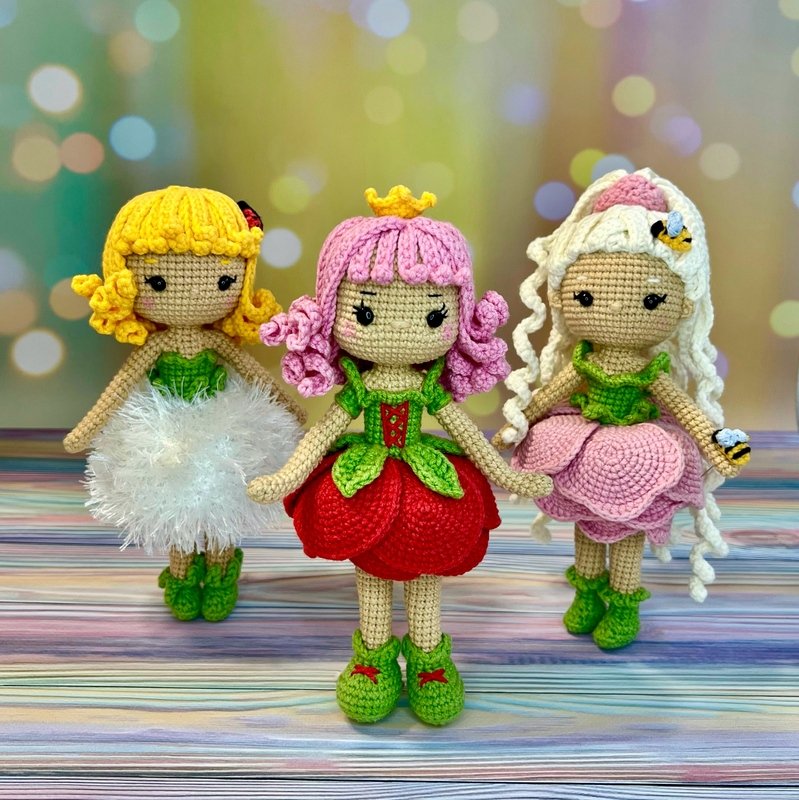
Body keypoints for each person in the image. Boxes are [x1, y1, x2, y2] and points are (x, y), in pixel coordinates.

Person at [248, 185, 551, 725]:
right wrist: (286, 476)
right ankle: (374, 658)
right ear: (333, 309)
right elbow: (321, 434)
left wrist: (507, 475)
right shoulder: (360, 390)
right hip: (364, 479)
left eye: (433, 316)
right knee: (370, 573)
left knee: (427, 566)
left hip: (424, 478)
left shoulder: (428, 389)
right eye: (366, 312)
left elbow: (467, 435)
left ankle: (430, 659)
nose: (402, 329)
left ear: (458, 314)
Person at [496, 169, 749, 650]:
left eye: (651, 299)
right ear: (564, 296)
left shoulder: (651, 371)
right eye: (588, 297)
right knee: (588, 527)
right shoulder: (583, 363)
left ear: (680, 305)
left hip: (639, 450)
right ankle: (588, 593)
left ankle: (624, 602)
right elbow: (548, 395)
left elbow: (684, 408)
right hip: (583, 444)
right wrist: (518, 422)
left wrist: (716, 441)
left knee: (629, 527)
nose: (614, 311)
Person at [64, 186, 305, 622]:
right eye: (158, 282)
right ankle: (181, 576)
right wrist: (88, 428)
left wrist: (289, 406)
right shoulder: (157, 347)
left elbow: (254, 374)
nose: (192, 293)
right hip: (165, 438)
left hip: (223, 431)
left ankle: (220, 573)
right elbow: (121, 385)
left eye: (223, 282)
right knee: (177, 510)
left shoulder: (217, 343)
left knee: (224, 503)